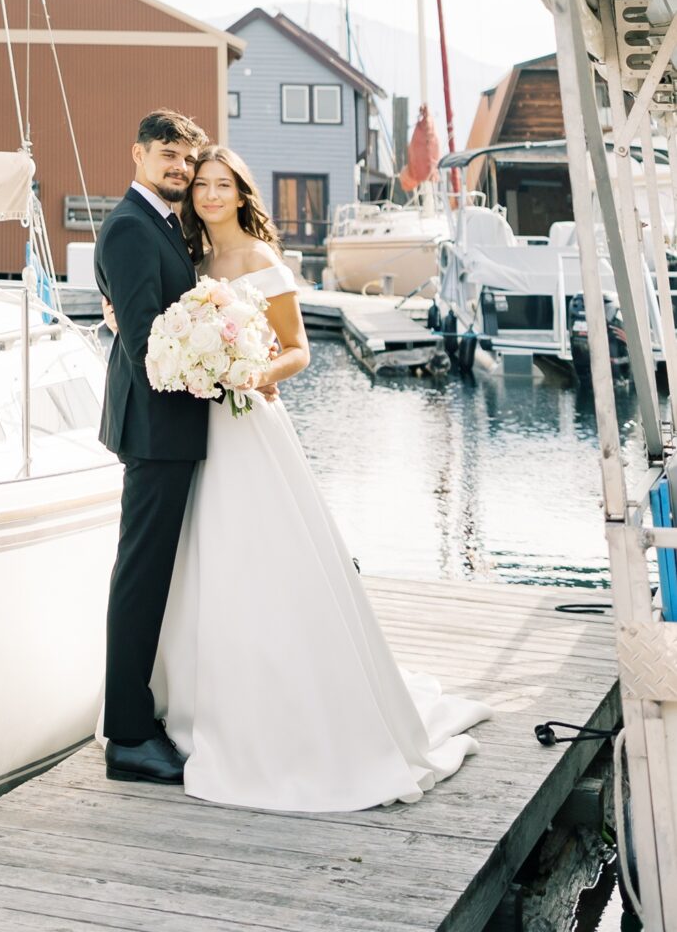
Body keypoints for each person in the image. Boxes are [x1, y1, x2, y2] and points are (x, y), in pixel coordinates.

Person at [153, 143, 490, 810]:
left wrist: (255, 372)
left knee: (264, 557)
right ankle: (204, 700)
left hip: (248, 422)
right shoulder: (190, 261)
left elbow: (298, 352)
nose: (211, 196)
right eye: (203, 187)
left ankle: (294, 704)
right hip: (200, 426)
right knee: (206, 558)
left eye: (223, 185)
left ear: (241, 193)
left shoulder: (260, 261)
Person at [94, 106, 211, 785]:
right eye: (167, 153)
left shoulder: (160, 225)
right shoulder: (132, 228)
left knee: (151, 574)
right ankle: (128, 737)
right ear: (137, 154)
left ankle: (144, 715)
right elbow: (144, 348)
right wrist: (212, 370)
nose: (179, 167)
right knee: (139, 579)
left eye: (186, 159)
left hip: (166, 427)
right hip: (154, 429)